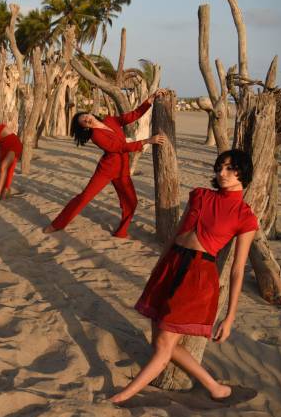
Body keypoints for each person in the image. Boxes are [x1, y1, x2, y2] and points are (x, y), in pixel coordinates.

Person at [110, 149, 259, 403]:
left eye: (230, 168)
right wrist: (159, 266)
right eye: (219, 167)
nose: (222, 173)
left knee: (165, 345)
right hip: (171, 264)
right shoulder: (200, 195)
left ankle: (123, 397)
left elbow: (237, 268)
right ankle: (215, 388)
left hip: (198, 277)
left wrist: (230, 317)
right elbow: (176, 233)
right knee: (160, 343)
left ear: (242, 172)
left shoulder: (245, 217)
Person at [43, 90, 166, 237]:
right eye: (83, 122)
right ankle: (56, 224)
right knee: (84, 197)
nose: (86, 119)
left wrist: (150, 99)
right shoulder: (96, 136)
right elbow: (118, 148)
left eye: (85, 116)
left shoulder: (110, 120)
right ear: (85, 127)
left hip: (122, 168)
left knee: (131, 202)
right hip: (107, 169)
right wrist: (147, 141)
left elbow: (133, 115)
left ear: (90, 114)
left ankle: (121, 232)